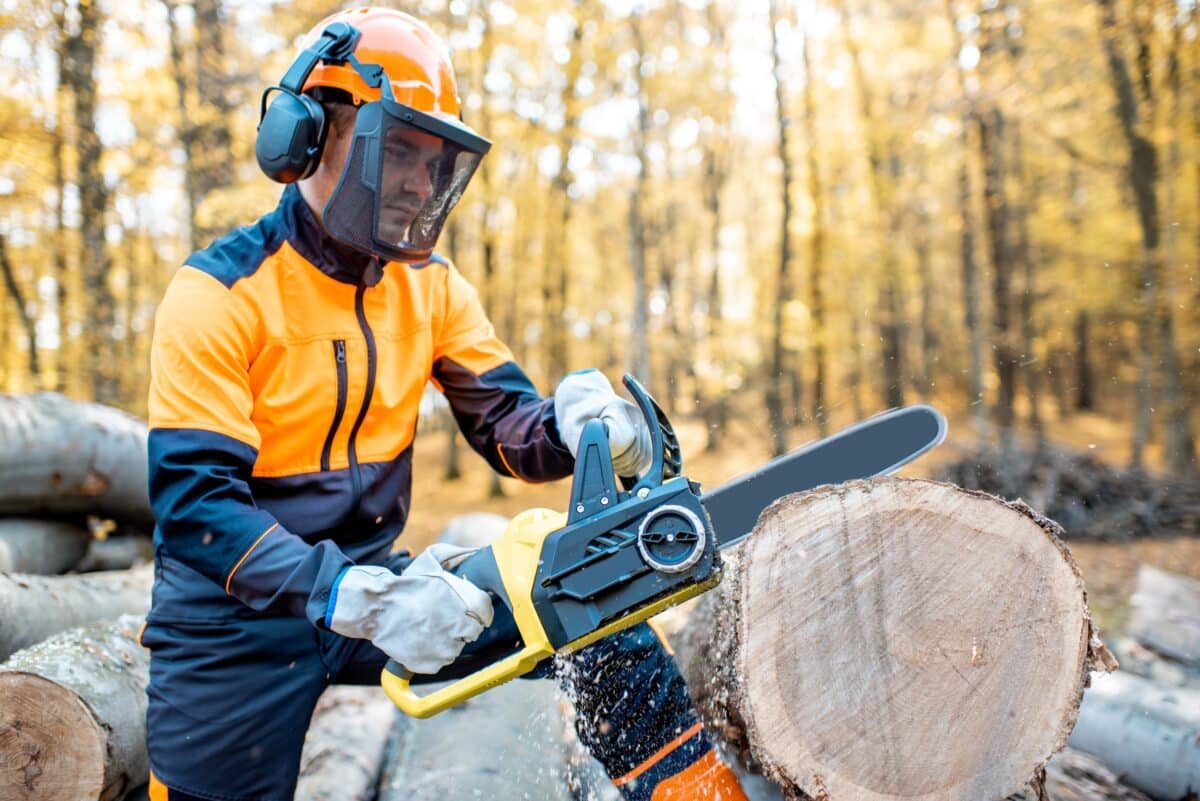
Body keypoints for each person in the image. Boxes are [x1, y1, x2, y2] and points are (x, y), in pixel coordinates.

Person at [143, 8, 750, 801]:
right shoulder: (220, 293)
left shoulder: (429, 286)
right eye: (400, 150)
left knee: (594, 599)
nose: (419, 183)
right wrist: (346, 595)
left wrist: (575, 427)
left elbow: (507, 428)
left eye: (436, 162)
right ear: (307, 134)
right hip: (234, 618)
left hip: (388, 586)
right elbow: (197, 509)